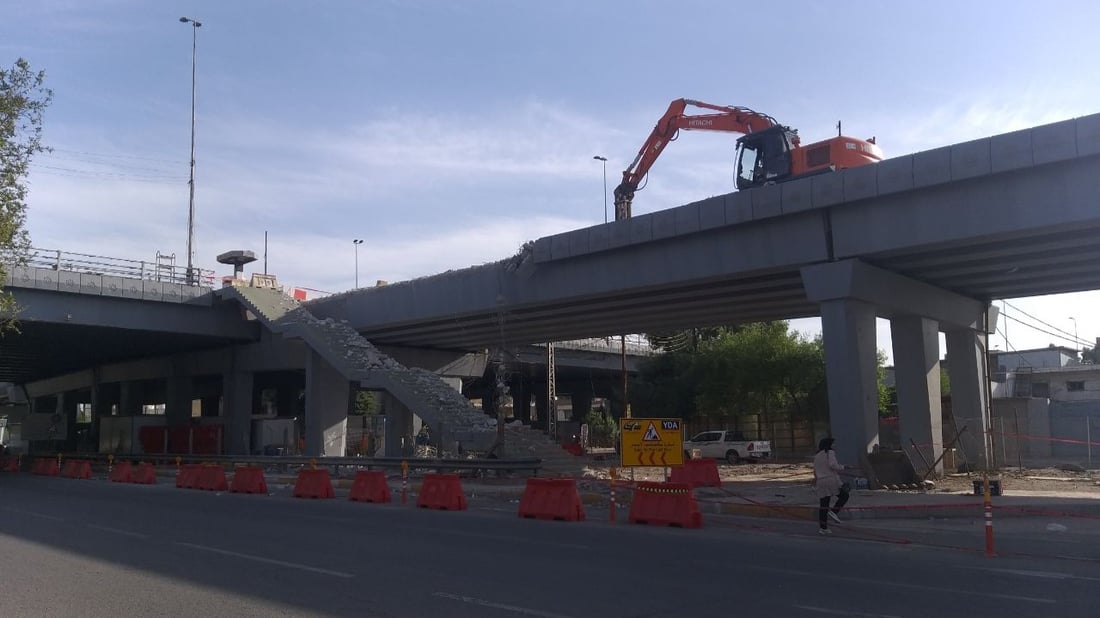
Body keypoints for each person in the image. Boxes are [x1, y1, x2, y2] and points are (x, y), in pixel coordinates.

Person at [813, 437, 850, 535]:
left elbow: (815, 471)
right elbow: (833, 465)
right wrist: (843, 467)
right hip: (830, 479)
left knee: (824, 505)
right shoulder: (830, 452)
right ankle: (834, 511)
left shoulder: (817, 455)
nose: (834, 445)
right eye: (833, 443)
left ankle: (823, 528)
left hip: (820, 481)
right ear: (829, 444)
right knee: (844, 496)